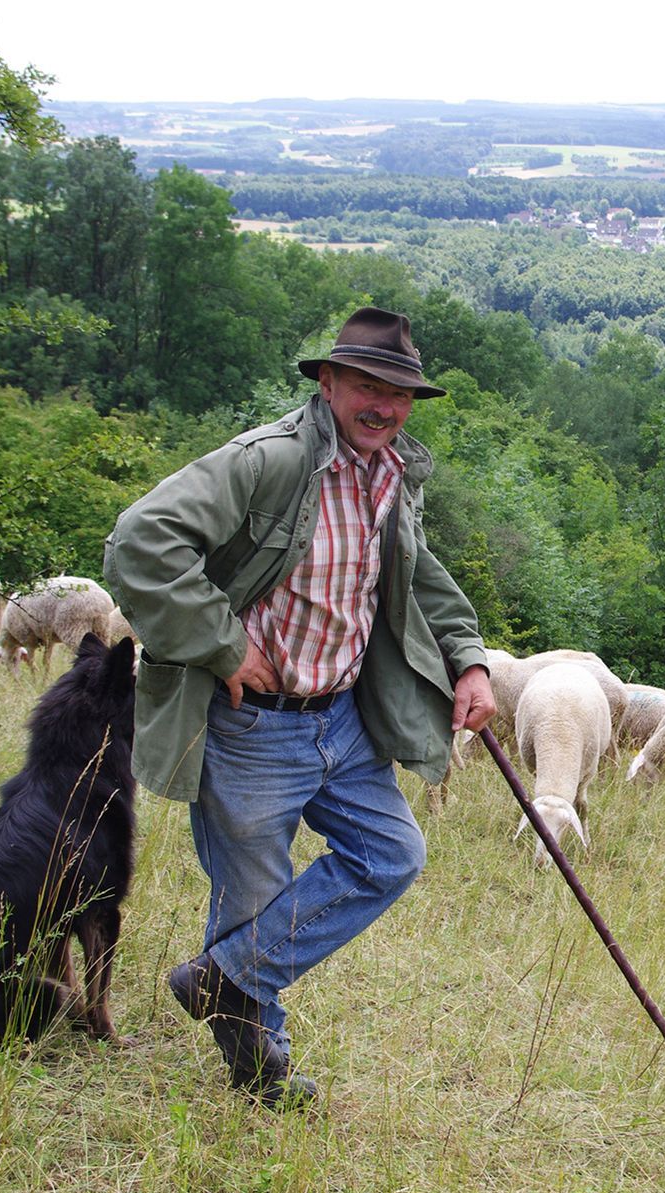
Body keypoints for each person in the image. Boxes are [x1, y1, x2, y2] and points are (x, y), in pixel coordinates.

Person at [104, 306, 494, 1108]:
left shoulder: (390, 475)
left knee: (392, 856)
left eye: (400, 392)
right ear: (327, 381)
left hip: (346, 720)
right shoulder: (271, 462)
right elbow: (141, 540)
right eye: (366, 385)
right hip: (252, 725)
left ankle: (222, 980)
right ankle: (262, 1074)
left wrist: (470, 661)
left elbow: (419, 579)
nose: (384, 405)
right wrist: (221, 642)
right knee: (251, 899)